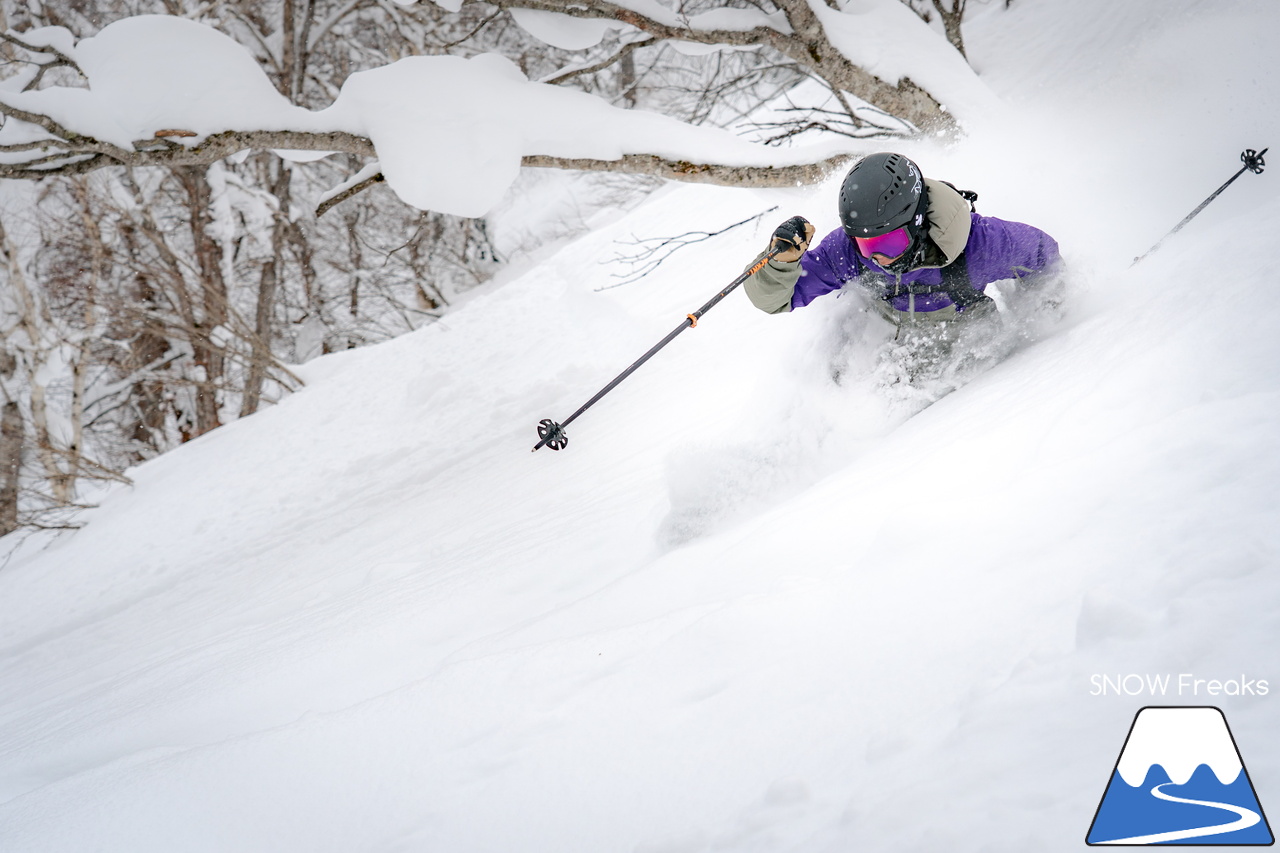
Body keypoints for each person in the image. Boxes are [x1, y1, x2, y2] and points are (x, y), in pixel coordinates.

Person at [744, 152, 1062, 329]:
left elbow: (1044, 257)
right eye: (866, 246)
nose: (877, 257)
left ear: (917, 222)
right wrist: (780, 263)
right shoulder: (849, 250)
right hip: (882, 339)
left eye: (890, 243)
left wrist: (1039, 317)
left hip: (966, 343)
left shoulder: (982, 244)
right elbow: (775, 300)